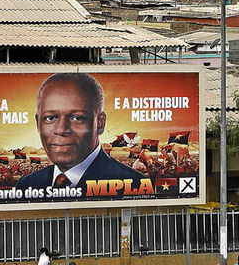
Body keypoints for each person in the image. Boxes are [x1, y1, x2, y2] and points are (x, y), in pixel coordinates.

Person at [16, 73, 148, 192]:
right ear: (38, 123)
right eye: (50, 118)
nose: (61, 130)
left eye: (77, 118)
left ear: (100, 123)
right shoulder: (27, 185)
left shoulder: (134, 183)